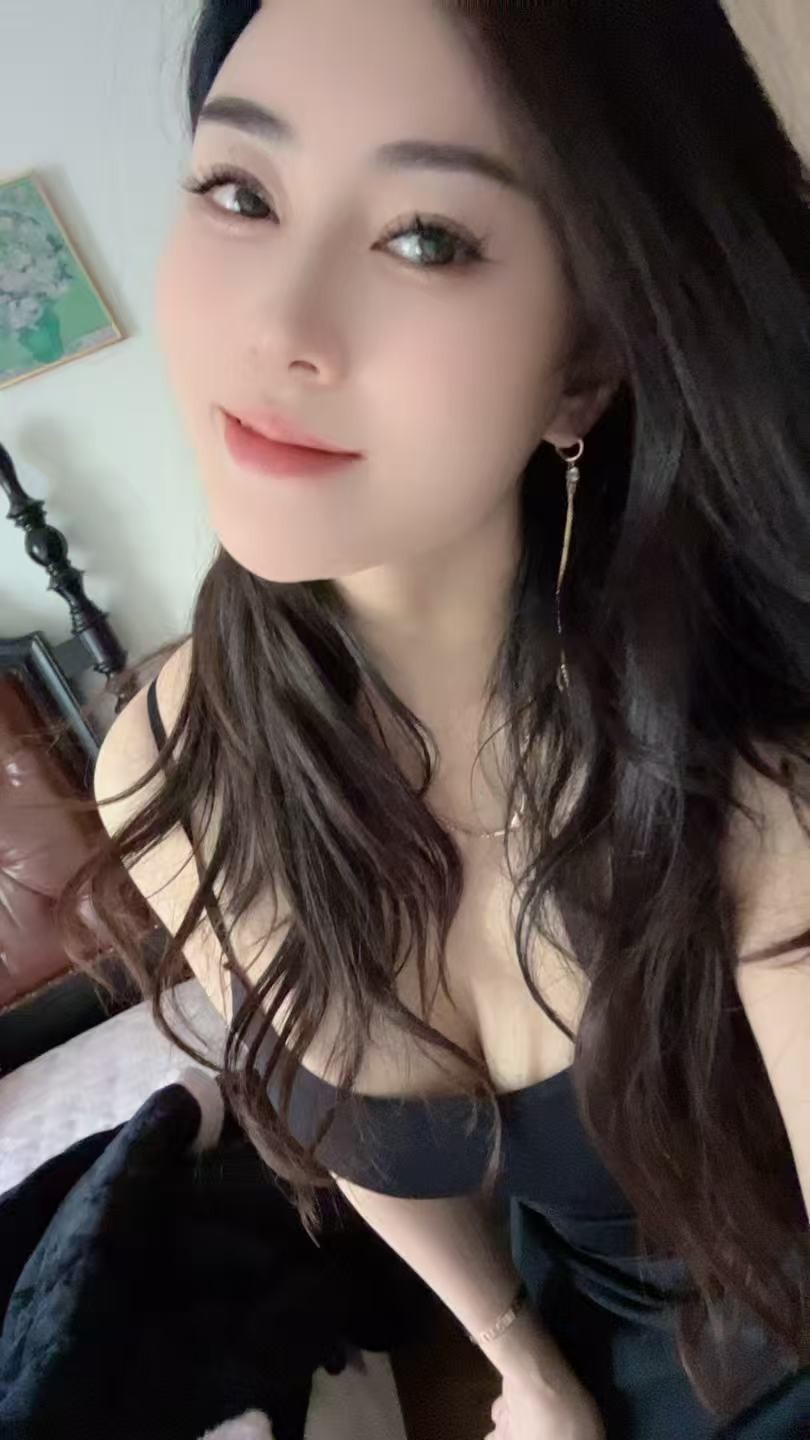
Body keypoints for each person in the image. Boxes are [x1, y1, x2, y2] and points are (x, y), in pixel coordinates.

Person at [76, 1, 810, 1436]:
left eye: (426, 238)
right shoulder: (168, 768)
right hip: (585, 1351)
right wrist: (518, 1364)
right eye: (241, 190)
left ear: (586, 362)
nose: (278, 327)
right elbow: (359, 1133)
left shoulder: (749, 759)